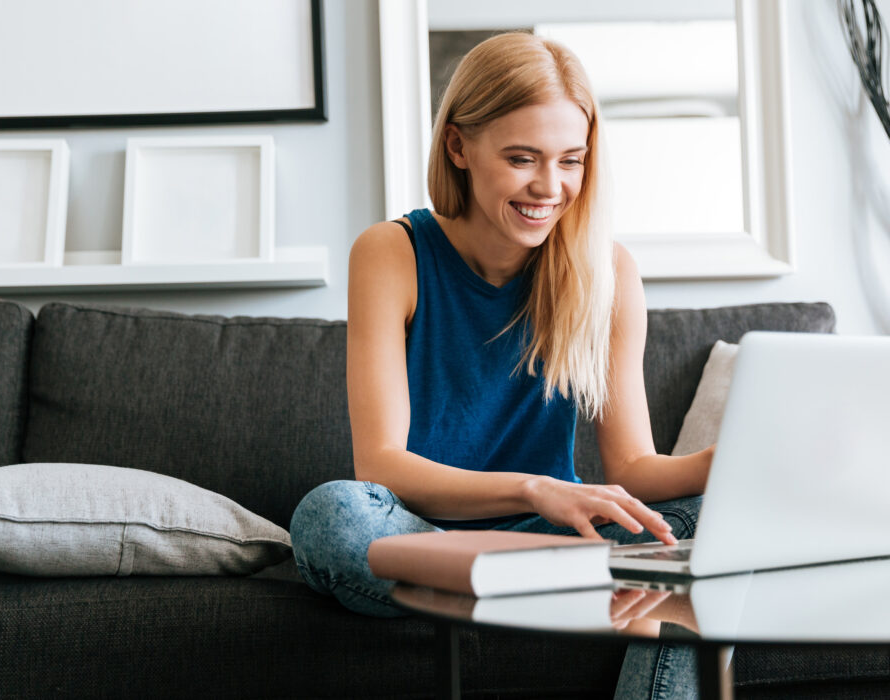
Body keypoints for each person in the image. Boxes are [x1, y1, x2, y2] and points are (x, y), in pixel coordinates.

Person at [290, 31, 715, 699]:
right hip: (425, 535)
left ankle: (560, 584)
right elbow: (380, 466)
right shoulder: (391, 253)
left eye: (570, 161)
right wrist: (532, 488)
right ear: (459, 146)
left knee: (708, 531)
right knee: (332, 516)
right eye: (522, 158)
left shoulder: (608, 271)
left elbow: (634, 469)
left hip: (553, 536)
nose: (550, 187)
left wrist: (728, 463)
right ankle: (583, 586)